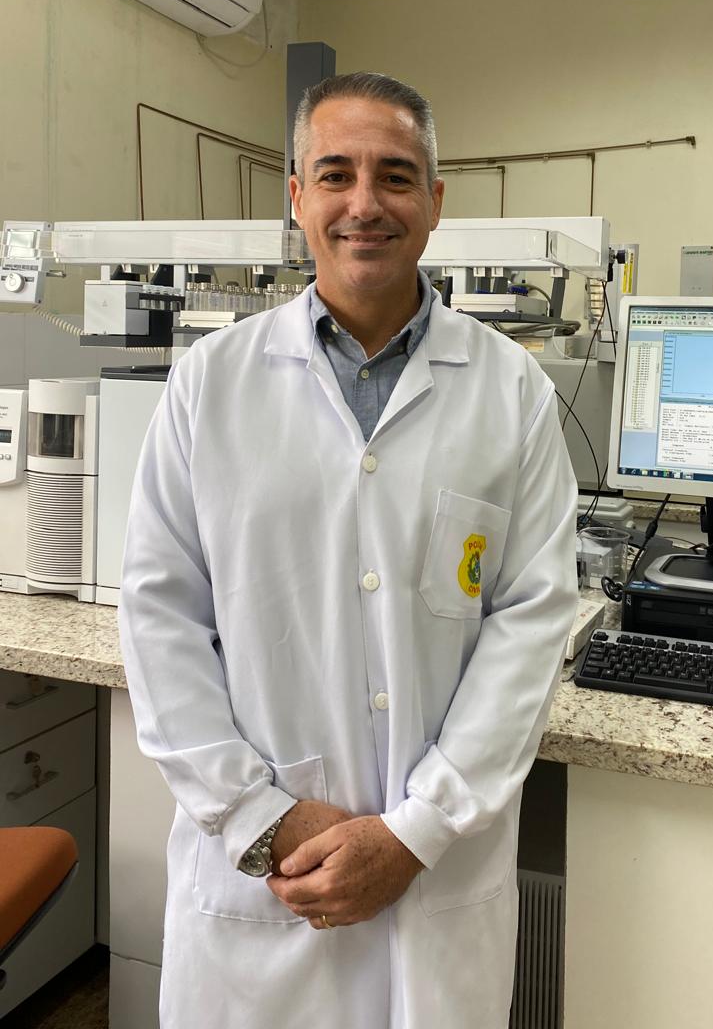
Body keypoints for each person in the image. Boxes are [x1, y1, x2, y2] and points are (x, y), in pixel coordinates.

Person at [119, 71, 579, 1029]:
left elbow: (532, 624)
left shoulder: (512, 393)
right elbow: (160, 619)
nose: (365, 203)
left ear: (435, 202)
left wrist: (416, 833)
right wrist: (263, 818)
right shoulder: (210, 383)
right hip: (260, 888)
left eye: (395, 176)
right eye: (335, 174)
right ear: (298, 198)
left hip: (438, 884)